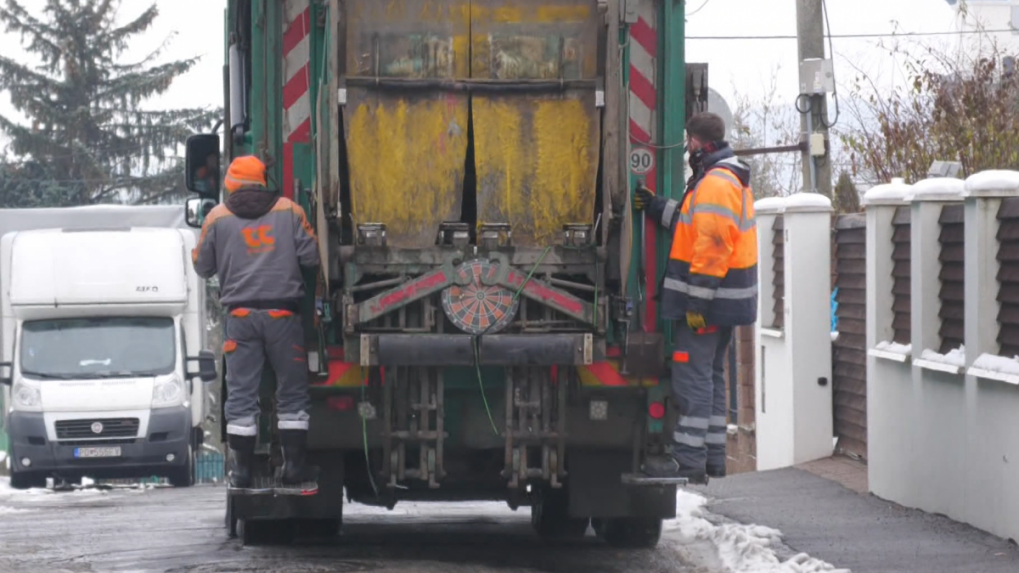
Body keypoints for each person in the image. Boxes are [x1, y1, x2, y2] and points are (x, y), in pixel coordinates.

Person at [633, 112, 759, 484]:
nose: (686, 146)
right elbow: (693, 224)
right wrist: (658, 207)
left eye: (689, 140)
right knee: (712, 379)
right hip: (727, 302)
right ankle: (713, 458)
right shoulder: (721, 179)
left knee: (693, 380)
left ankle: (689, 460)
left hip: (712, 302)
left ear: (702, 143)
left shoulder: (717, 183)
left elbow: (714, 245)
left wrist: (697, 304)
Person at [192, 155, 321, 488]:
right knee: (291, 394)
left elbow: (202, 266)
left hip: (241, 318)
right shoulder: (290, 211)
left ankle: (243, 472)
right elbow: (311, 256)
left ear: (230, 184)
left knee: (242, 396)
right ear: (263, 180)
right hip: (283, 316)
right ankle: (294, 468)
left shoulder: (217, 217)